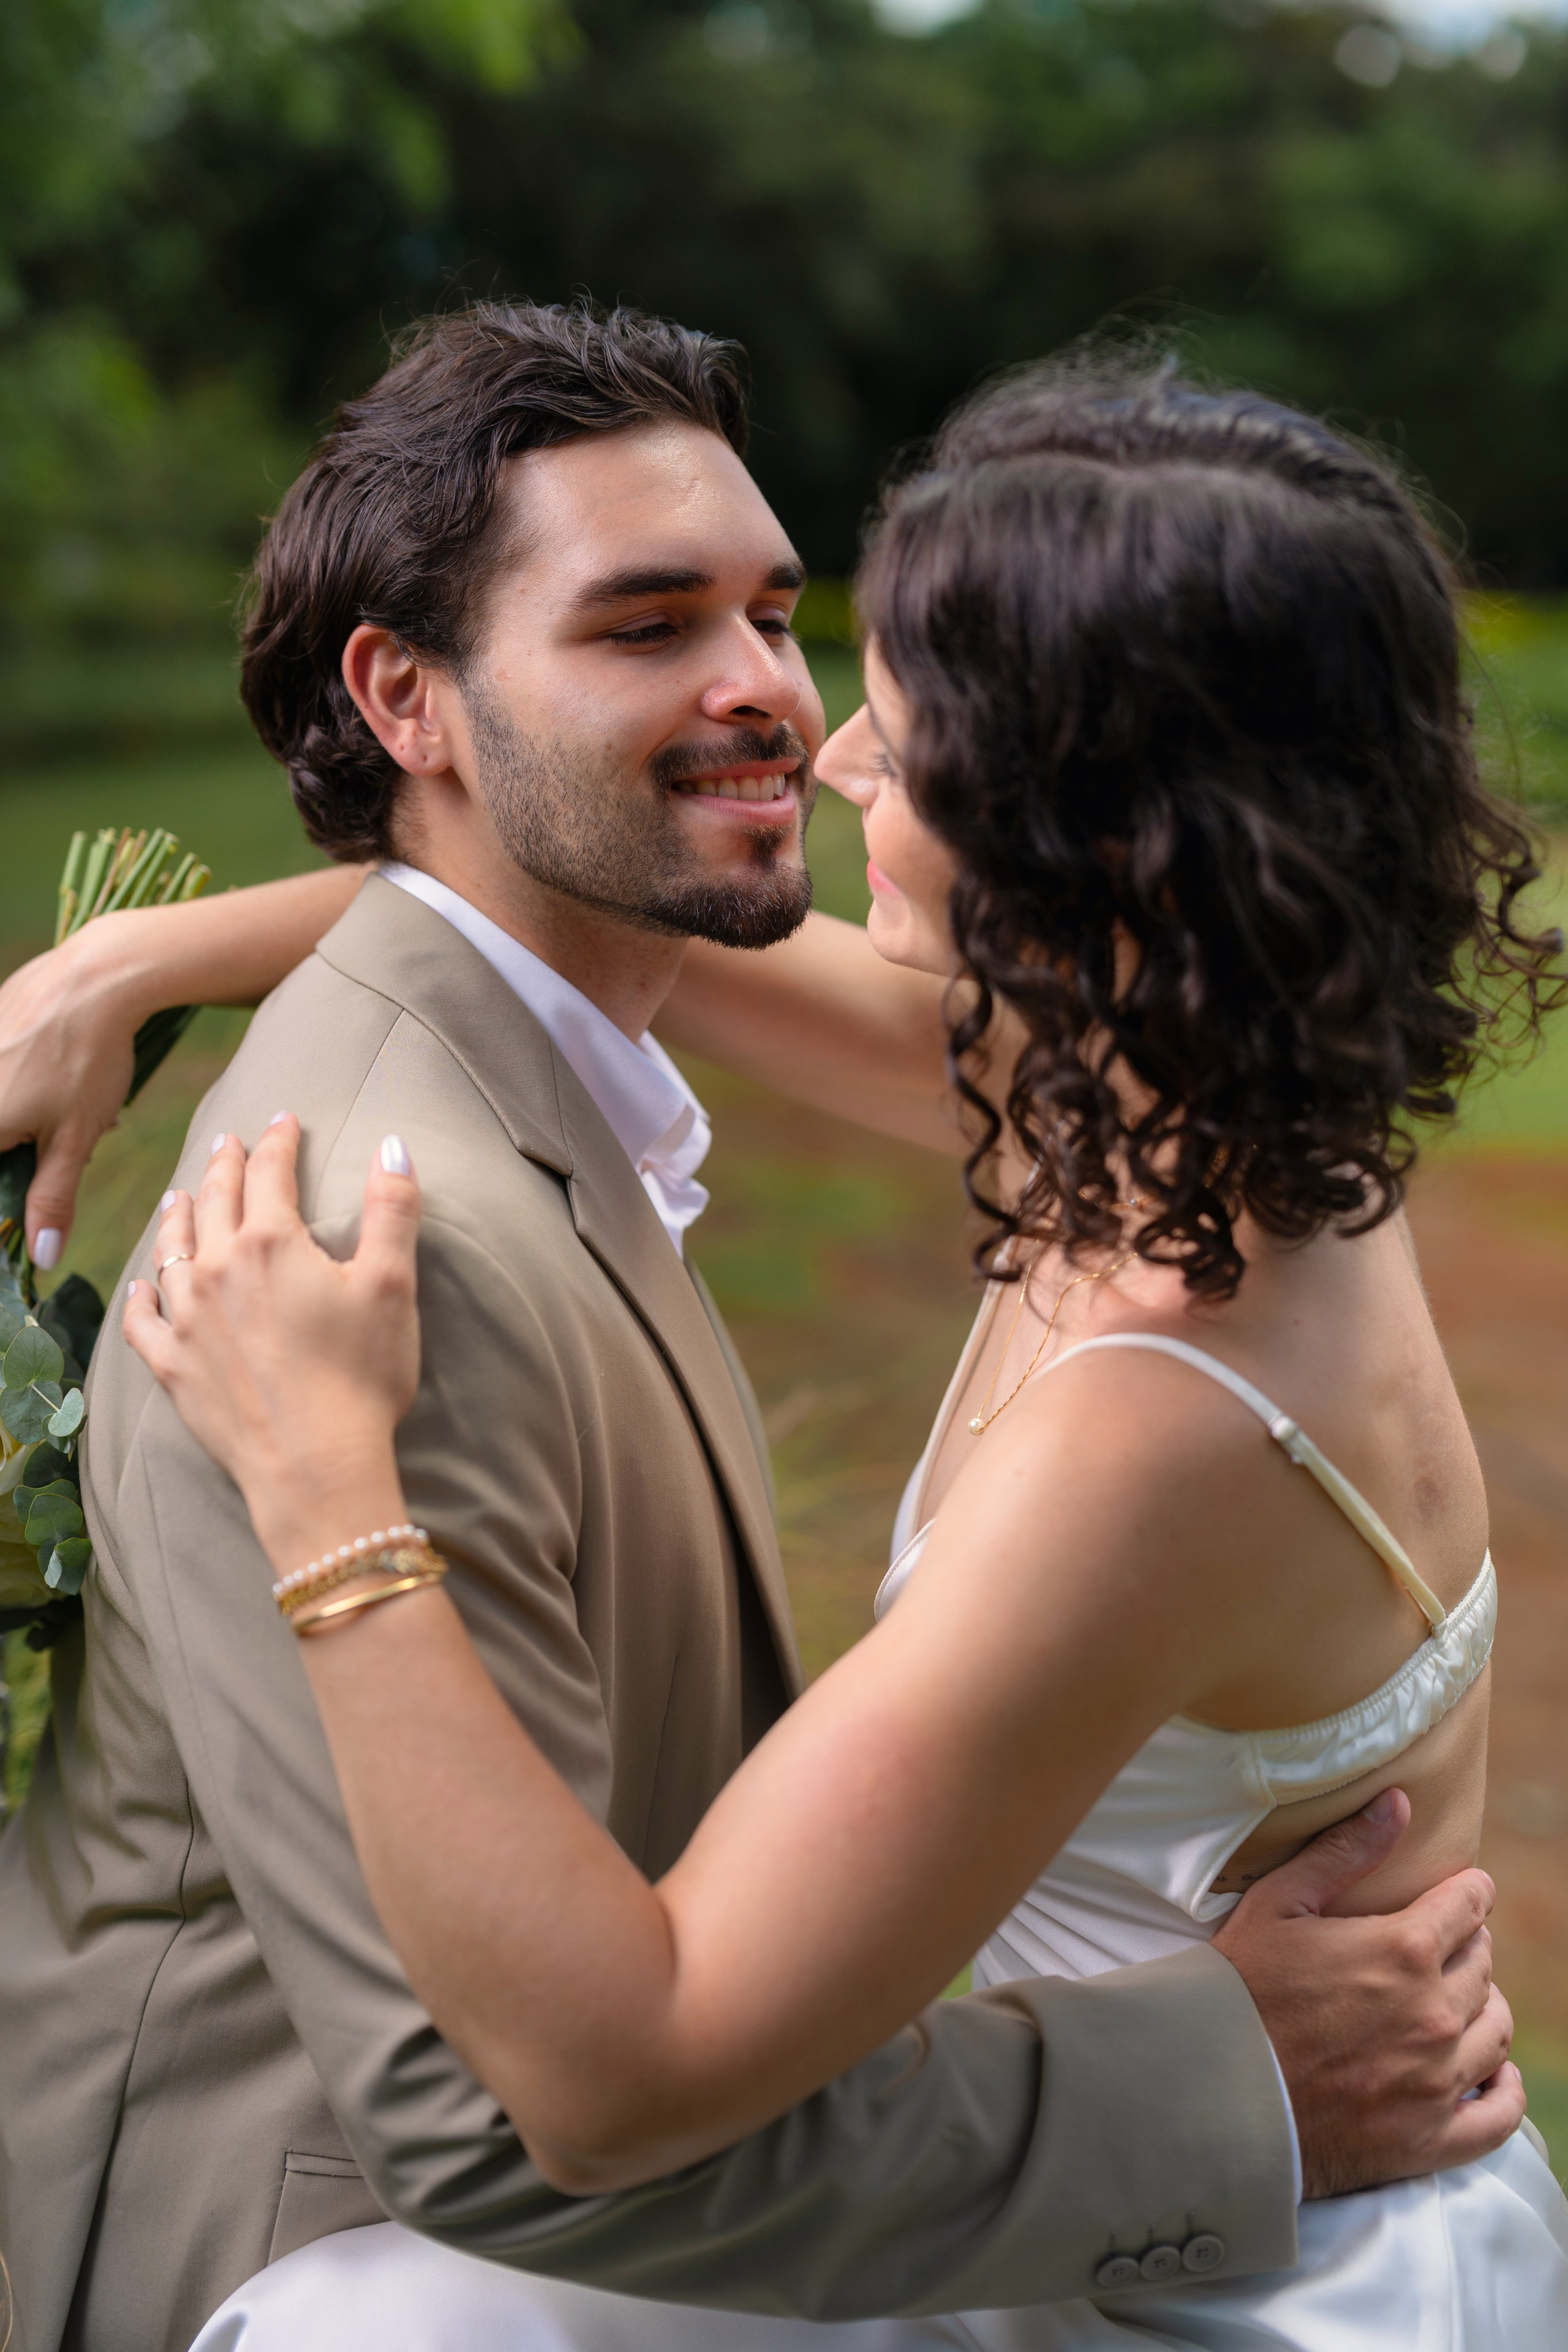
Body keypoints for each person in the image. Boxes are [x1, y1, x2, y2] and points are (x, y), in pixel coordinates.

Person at [0, 315, 1526, 2352]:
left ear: (1090, 840)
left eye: (899, 738)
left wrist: (326, 1492)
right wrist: (134, 960)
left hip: (1255, 2271)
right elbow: (615, 917)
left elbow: (628, 2069)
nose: (823, 754)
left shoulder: (1155, 1432)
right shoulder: (1211, 1095)